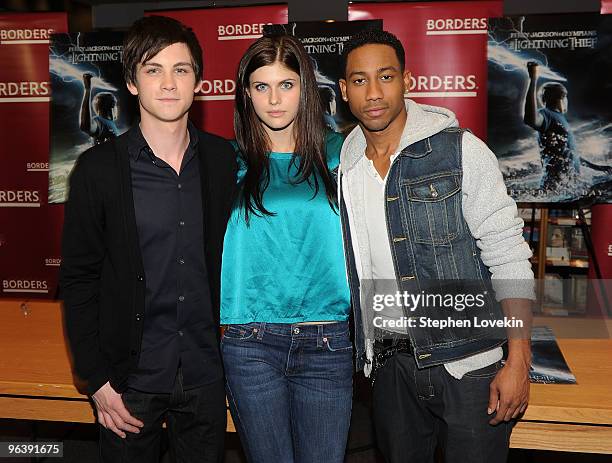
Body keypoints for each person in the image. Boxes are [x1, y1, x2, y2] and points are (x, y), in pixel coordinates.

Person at [337, 29, 534, 463]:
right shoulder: (345, 168)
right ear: (343, 91)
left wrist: (518, 358)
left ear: (407, 80)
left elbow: (507, 253)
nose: (373, 92)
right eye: (359, 80)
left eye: (385, 76)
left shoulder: (460, 151)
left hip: (468, 364)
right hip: (389, 368)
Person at [60, 16, 236, 463]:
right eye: (153, 69)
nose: (169, 84)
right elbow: (79, 280)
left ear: (197, 79)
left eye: (181, 69)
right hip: (128, 380)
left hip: (205, 375)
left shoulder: (222, 161)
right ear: (132, 83)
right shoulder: (98, 171)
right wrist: (96, 381)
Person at [220, 34, 352, 463]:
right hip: (250, 341)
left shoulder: (342, 154)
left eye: (286, 85)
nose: (274, 99)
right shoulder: (225, 161)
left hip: (328, 339)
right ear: (246, 93)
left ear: (306, 89)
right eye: (261, 86)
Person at [524, 61, 611, 192]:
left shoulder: (559, 119)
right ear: (560, 98)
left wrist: (597, 167)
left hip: (567, 186)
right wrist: (533, 79)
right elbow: (531, 119)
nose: (566, 100)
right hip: (555, 187)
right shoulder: (546, 114)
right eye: (564, 96)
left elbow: (570, 154)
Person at [80, 73, 120, 145]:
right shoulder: (100, 121)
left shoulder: (110, 123)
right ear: (112, 105)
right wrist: (87, 90)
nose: (117, 107)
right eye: (115, 104)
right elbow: (85, 126)